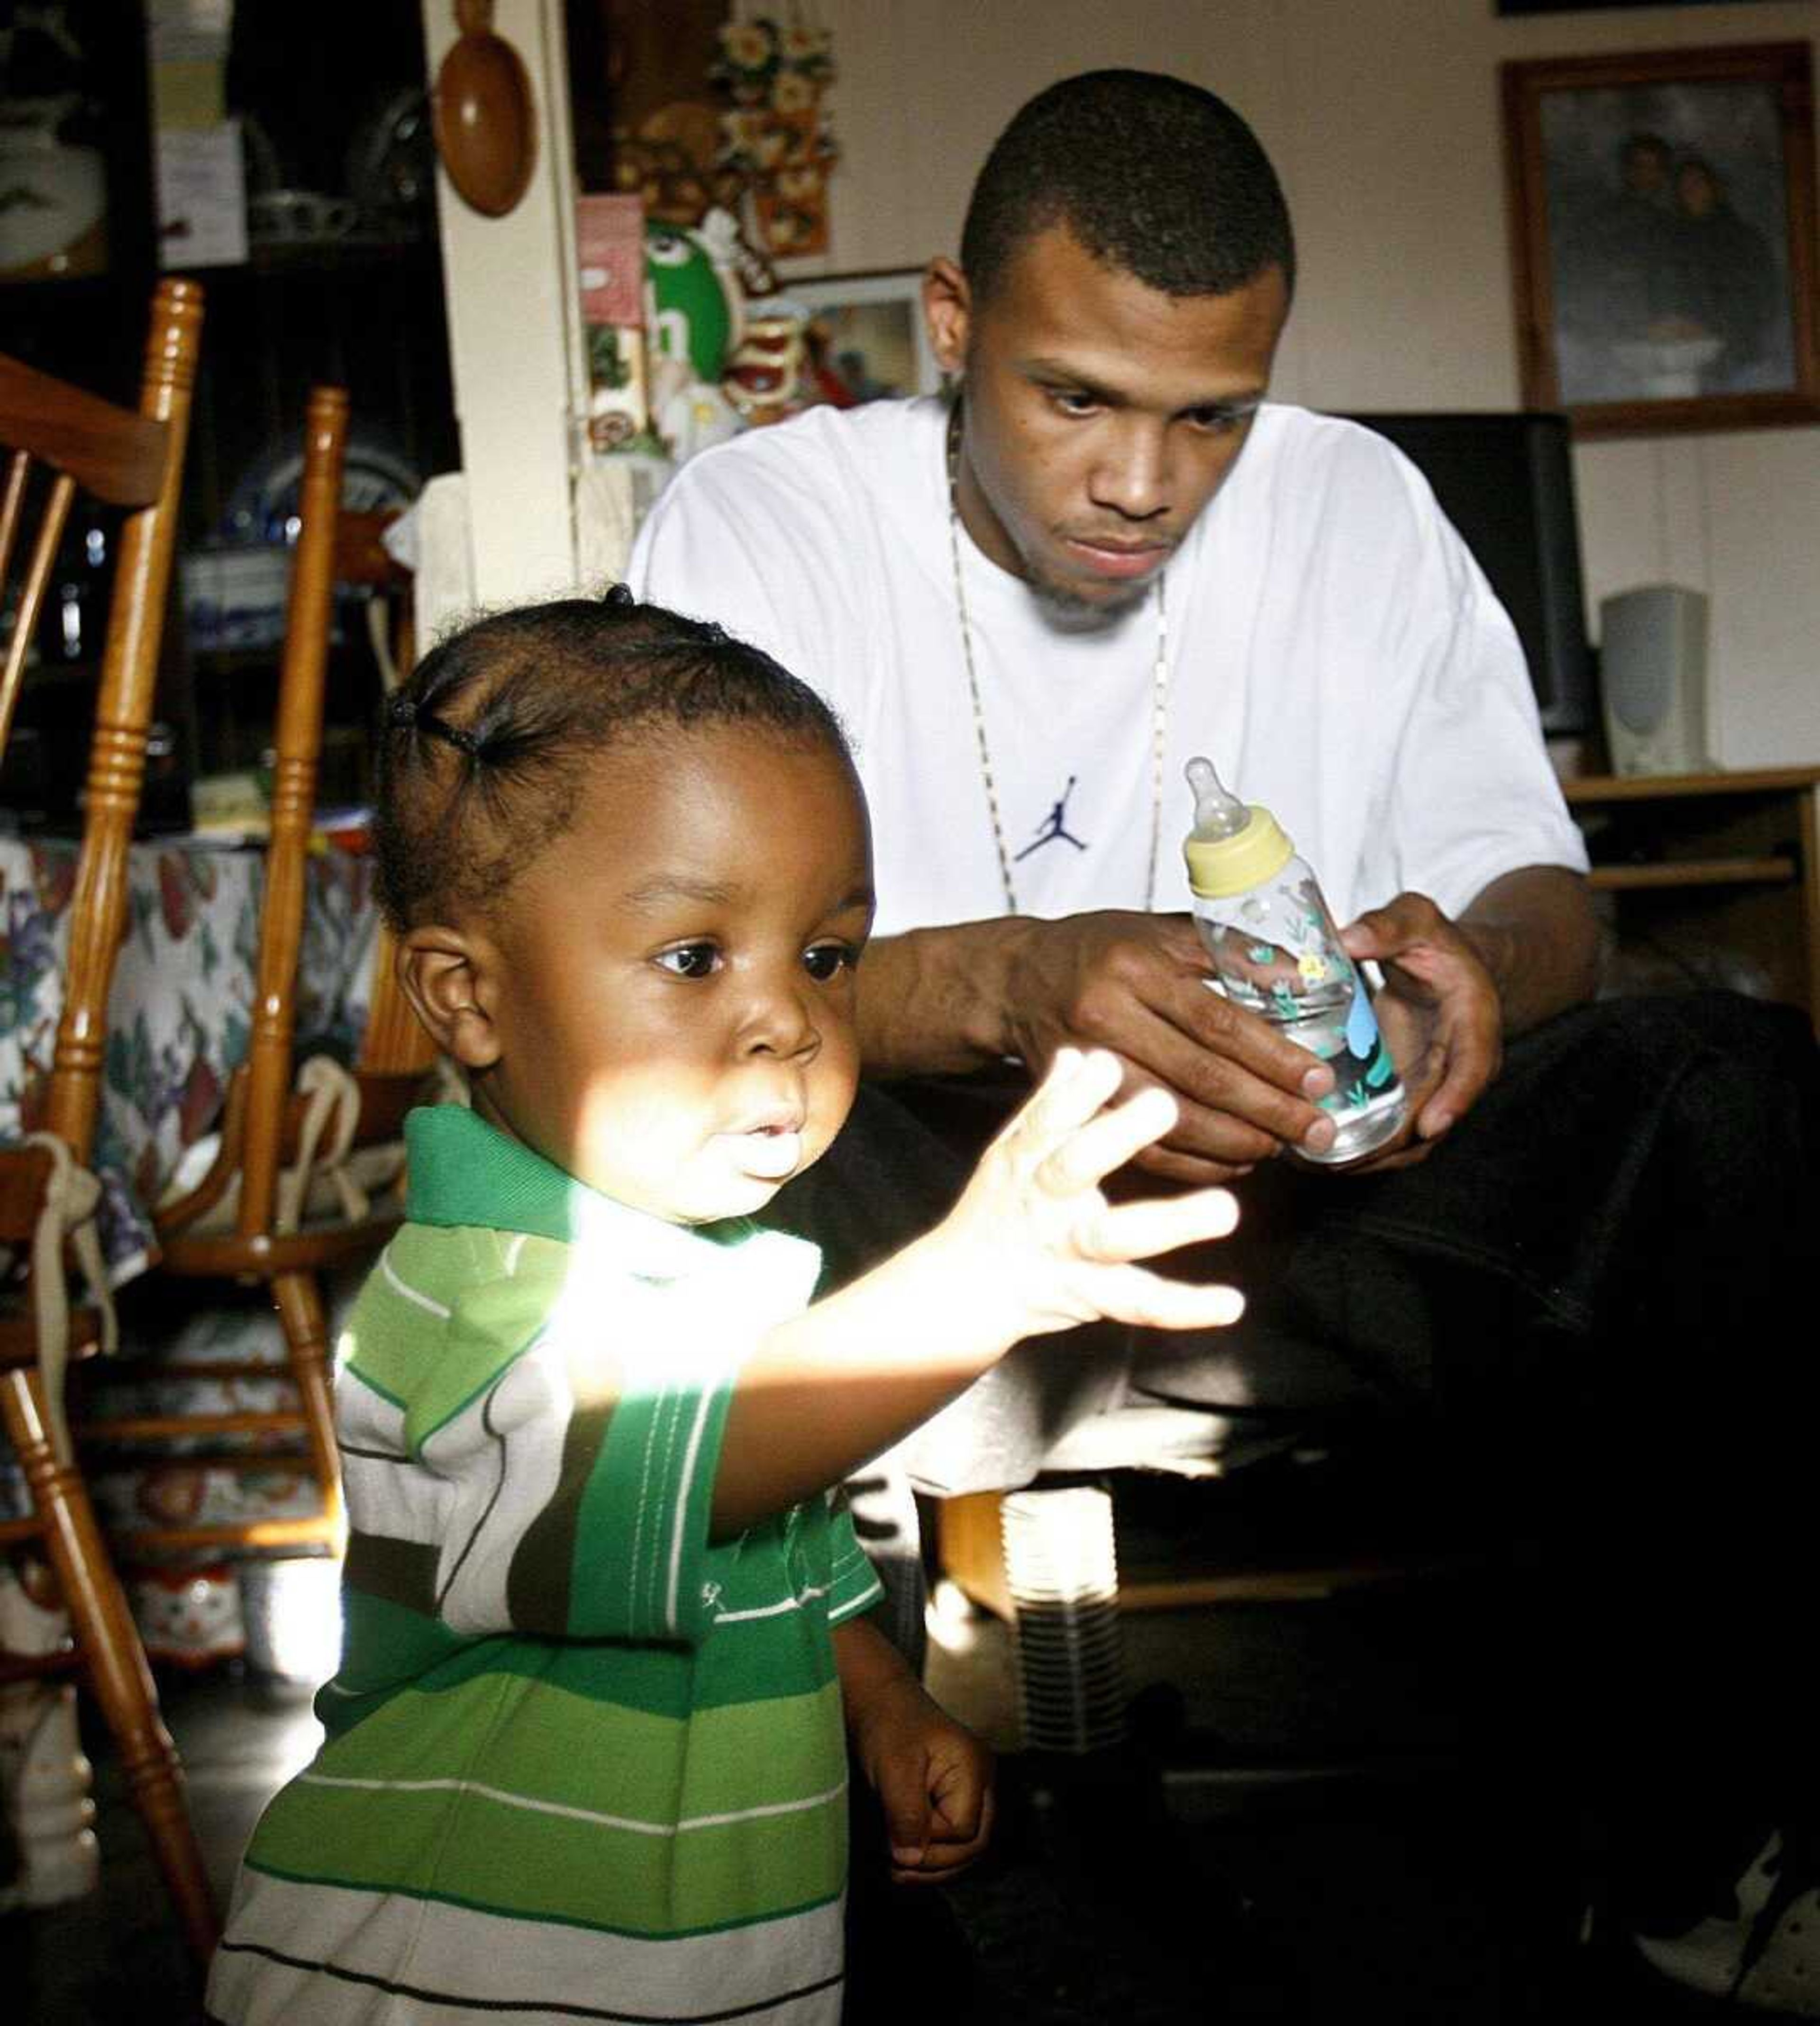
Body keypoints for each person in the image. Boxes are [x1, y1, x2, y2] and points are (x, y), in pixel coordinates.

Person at [632, 68, 1820, 2016]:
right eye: (1073, 397)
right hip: (938, 1273)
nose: (1141, 482)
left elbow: (1546, 889)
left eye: (1209, 417)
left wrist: (1473, 977)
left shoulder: (1358, 506)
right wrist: (1018, 989)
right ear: (952, 324)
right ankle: (817, 1806)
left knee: (1718, 1081)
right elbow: (673, 983)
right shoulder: (767, 528)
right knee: (697, 1125)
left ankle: (1705, 1867)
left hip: (1303, 1243)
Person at [203, 591, 1245, 2026]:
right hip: (435, 1984)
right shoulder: (465, 1299)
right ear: (468, 995)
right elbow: (700, 1461)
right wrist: (978, 1276)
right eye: (697, 956)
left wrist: (883, 1703)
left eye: (827, 955)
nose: (792, 1019)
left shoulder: (726, 1272)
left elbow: (782, 1554)